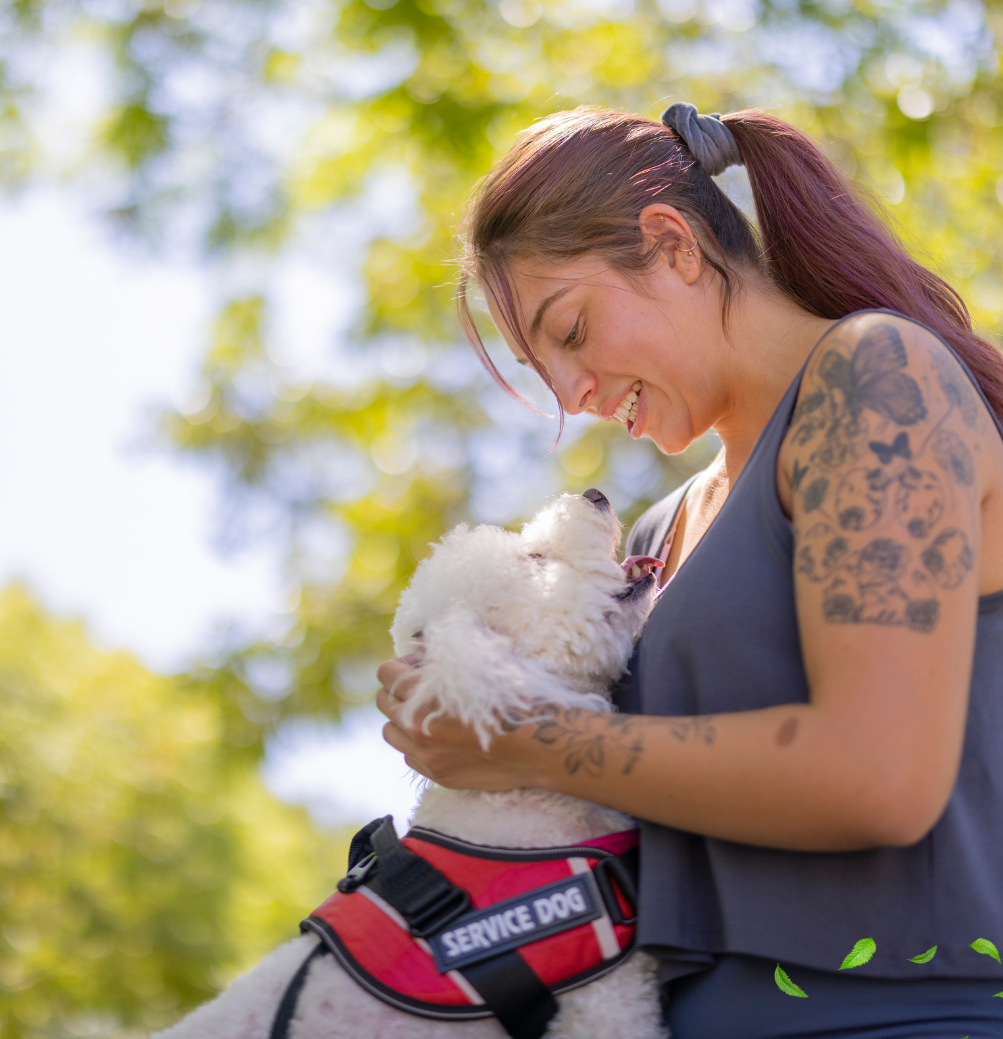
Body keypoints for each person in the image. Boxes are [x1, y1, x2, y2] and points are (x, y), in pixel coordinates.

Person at [375, 104, 1003, 1037]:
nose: (575, 398)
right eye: (542, 369)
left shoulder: (877, 380)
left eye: (573, 330)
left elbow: (879, 777)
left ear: (672, 244)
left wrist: (528, 736)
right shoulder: (661, 534)